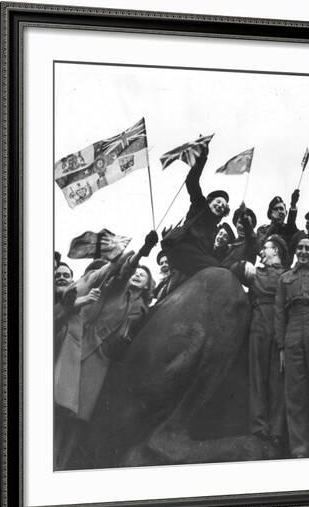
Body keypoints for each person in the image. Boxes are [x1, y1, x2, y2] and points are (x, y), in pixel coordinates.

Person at [54, 230, 158, 469]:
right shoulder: (118, 287)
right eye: (137, 272)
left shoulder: (145, 308)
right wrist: (144, 250)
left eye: (144, 274)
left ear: (149, 284)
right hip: (84, 345)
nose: (138, 275)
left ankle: (63, 464)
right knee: (61, 407)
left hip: (103, 359)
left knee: (81, 418)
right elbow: (126, 269)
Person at [232, 235, 287, 447]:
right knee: (257, 375)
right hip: (259, 323)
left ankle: (277, 430)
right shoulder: (255, 273)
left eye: (266, 248)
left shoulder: (287, 275)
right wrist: (242, 264)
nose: (262, 252)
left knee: (278, 377)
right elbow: (229, 268)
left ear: (277, 251)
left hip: (281, 324)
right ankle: (259, 427)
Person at [275, 231, 309, 458]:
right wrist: (281, 346)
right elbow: (279, 314)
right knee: (295, 394)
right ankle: (300, 450)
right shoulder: (285, 279)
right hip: (292, 331)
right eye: (300, 247)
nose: (303, 251)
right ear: (295, 251)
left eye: (307, 248)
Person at [161, 144, 230, 286]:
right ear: (210, 201)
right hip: (182, 249)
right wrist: (202, 158)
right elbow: (192, 181)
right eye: (218, 202)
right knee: (217, 268)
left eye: (222, 206)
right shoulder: (200, 206)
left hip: (194, 259)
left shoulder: (215, 229)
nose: (219, 206)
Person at [256, 191, 300, 266]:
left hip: (285, 271)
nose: (279, 212)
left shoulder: (289, 229)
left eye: (281, 209)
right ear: (270, 213)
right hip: (268, 270)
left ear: (286, 212)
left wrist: (293, 205)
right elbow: (259, 247)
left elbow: (292, 227)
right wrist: (275, 225)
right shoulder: (263, 229)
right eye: (276, 209)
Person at [220, 203, 259, 268]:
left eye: (247, 224)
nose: (243, 227)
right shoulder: (231, 244)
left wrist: (244, 215)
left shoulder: (251, 244)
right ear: (236, 224)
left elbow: (250, 236)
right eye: (240, 222)